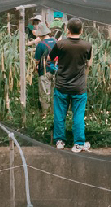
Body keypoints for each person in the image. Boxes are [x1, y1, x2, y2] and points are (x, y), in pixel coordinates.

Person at [48, 19, 93, 152]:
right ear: (81, 30)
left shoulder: (60, 44)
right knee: (78, 115)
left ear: (68, 30)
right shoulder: (87, 46)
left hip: (61, 85)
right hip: (79, 87)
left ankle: (60, 141)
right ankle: (78, 143)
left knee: (59, 114)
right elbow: (88, 62)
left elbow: (50, 58)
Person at [31, 24, 58, 111]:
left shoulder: (40, 45)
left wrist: (34, 68)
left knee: (45, 93)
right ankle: (54, 113)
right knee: (54, 93)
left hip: (44, 71)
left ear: (40, 34)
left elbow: (37, 60)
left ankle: (45, 113)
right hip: (56, 70)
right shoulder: (56, 42)